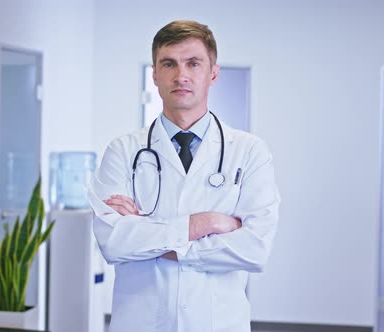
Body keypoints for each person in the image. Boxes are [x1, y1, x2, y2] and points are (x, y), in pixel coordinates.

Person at [89, 20, 280, 332]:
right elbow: (113, 242)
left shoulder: (249, 152)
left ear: (213, 73)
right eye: (169, 64)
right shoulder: (123, 151)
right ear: (154, 74)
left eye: (193, 63)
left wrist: (146, 233)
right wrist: (204, 224)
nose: (181, 76)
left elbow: (255, 250)